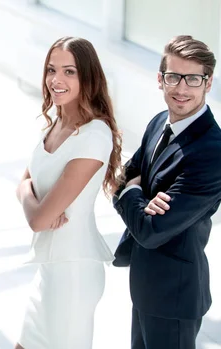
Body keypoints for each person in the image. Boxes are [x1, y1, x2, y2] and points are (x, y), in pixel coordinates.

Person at [113, 35, 221, 349]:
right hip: (146, 287)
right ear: (160, 79)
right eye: (173, 77)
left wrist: (134, 192)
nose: (181, 88)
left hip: (175, 297)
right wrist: (134, 192)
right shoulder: (159, 122)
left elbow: (151, 231)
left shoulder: (212, 152)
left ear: (208, 83)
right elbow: (118, 180)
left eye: (192, 79)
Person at [14, 37, 123, 349]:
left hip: (72, 272)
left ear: (87, 76)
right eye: (51, 70)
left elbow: (37, 218)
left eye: (69, 71)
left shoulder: (94, 136)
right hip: (49, 269)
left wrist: (29, 197)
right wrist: (27, 193)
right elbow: (26, 186)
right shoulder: (54, 124)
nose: (56, 80)